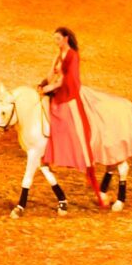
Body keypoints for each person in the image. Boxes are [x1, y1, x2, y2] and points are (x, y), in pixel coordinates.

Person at [36, 27, 97, 195]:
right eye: (54, 39)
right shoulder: (58, 55)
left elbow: (65, 80)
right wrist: (42, 83)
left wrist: (49, 88)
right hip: (55, 90)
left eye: (58, 39)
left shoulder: (72, 56)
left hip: (67, 93)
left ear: (66, 38)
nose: (56, 42)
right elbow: (51, 73)